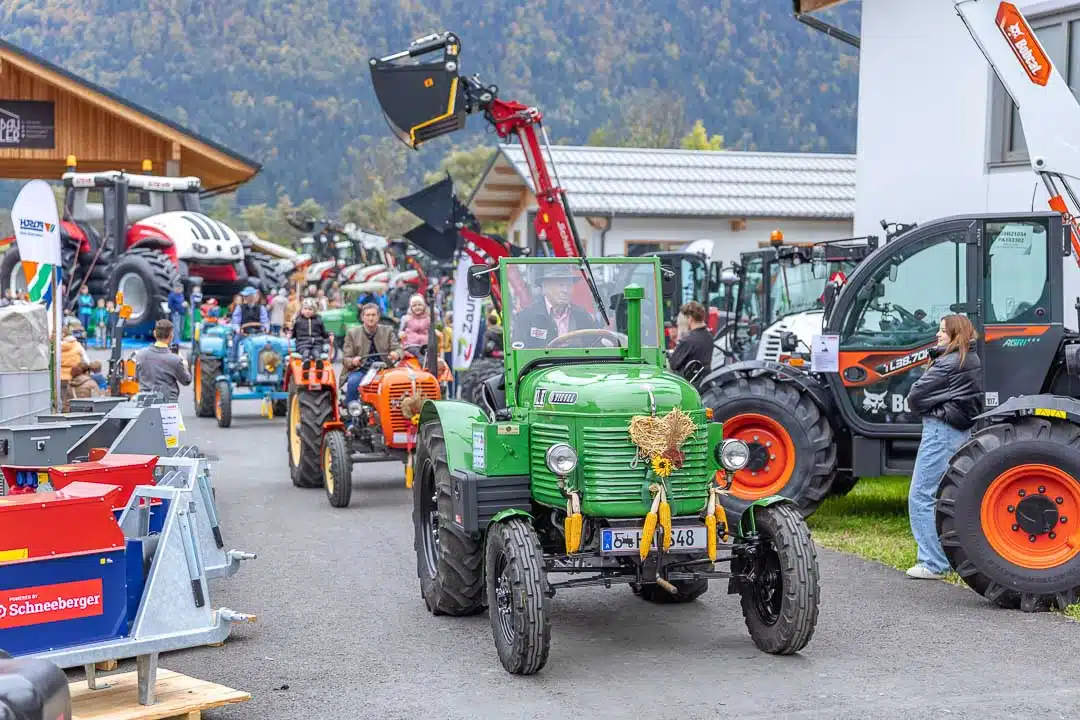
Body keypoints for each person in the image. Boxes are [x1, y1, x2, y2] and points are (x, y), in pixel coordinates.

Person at [904, 314, 983, 580]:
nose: (937, 335)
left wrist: (933, 410)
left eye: (943, 331)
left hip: (940, 431)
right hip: (957, 430)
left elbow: (914, 397)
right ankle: (944, 558)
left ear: (955, 334)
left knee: (921, 495)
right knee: (945, 495)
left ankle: (933, 563)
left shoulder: (947, 363)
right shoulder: (969, 358)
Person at [512, 266, 595, 349]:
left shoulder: (582, 315)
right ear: (545, 288)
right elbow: (519, 352)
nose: (565, 290)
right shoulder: (525, 317)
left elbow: (596, 345)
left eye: (569, 285)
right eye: (560, 285)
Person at [342, 303, 402, 405]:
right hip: (361, 369)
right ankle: (352, 410)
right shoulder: (352, 333)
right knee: (353, 382)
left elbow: (398, 349)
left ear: (378, 316)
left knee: (399, 382)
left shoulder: (387, 330)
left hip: (384, 370)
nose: (371, 318)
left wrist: (396, 354)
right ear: (362, 317)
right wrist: (353, 361)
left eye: (373, 315)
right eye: (368, 315)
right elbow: (346, 358)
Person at [135, 319, 192, 403]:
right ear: (171, 336)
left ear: (154, 333)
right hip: (167, 404)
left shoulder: (140, 354)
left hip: (144, 403)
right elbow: (186, 380)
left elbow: (137, 378)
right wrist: (185, 365)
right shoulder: (175, 360)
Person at [668, 301, 714, 380]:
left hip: (689, 383)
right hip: (705, 381)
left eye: (685, 317)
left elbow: (673, 364)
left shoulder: (688, 340)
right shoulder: (709, 336)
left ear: (690, 318)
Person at [230, 286, 269, 364]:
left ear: (254, 296)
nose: (248, 298)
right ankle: (234, 360)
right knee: (236, 340)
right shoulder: (239, 308)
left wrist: (266, 328)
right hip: (244, 333)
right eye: (246, 296)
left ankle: (266, 361)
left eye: (249, 296)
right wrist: (238, 329)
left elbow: (265, 321)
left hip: (258, 333)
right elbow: (235, 322)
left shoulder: (261, 308)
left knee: (268, 343)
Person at [60, 319, 90, 410]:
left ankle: (64, 410)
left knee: (63, 397)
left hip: (60, 376)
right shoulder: (78, 345)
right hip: (73, 376)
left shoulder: (58, 346)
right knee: (73, 396)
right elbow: (87, 361)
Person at [292, 298, 330, 367]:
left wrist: (329, 335)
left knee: (317, 351)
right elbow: (294, 333)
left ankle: (318, 361)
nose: (307, 311)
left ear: (314, 310)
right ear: (301, 310)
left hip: (317, 342)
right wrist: (290, 334)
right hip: (302, 342)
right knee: (305, 351)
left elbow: (323, 332)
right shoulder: (298, 321)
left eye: (310, 309)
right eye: (305, 309)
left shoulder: (318, 320)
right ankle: (306, 361)